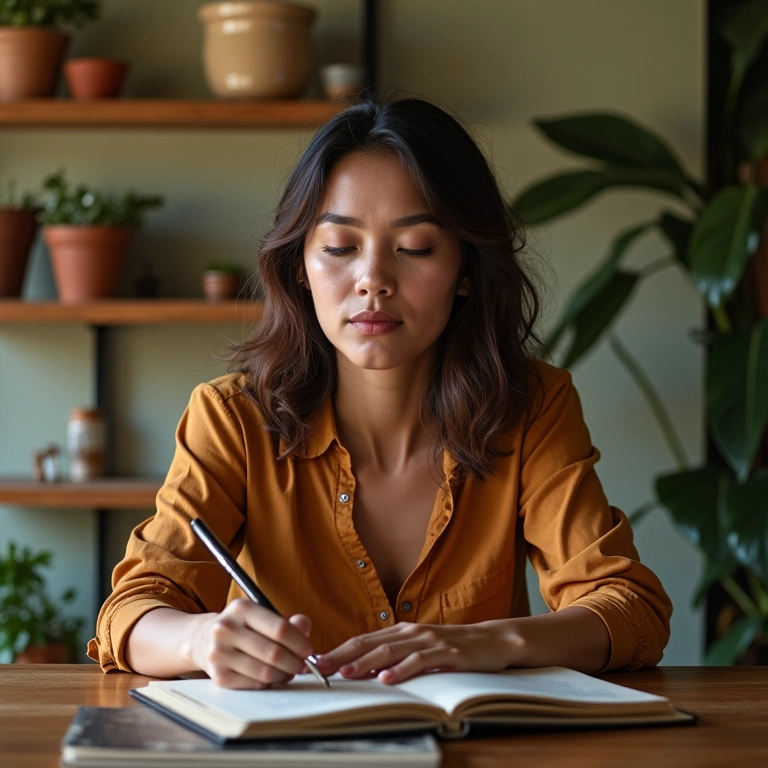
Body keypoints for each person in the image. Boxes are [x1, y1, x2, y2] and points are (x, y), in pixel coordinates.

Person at [88, 96, 672, 689]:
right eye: (340, 248)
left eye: (415, 247)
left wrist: (488, 642)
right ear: (299, 266)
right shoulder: (233, 418)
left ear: (467, 269)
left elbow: (629, 609)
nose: (372, 280)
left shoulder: (531, 407)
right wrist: (201, 638)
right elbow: (132, 611)